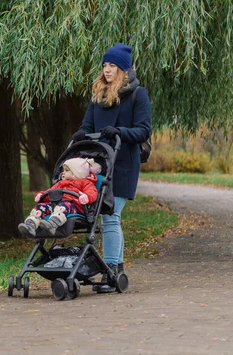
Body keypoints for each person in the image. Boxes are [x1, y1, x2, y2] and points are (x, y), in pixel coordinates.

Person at [72, 43, 152, 293]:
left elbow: (144, 130)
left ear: (123, 69)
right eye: (105, 65)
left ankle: (112, 270)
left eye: (112, 66)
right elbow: (87, 124)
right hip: (100, 163)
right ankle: (116, 270)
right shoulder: (98, 95)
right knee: (109, 218)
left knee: (110, 215)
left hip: (124, 163)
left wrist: (120, 131)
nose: (107, 70)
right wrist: (81, 133)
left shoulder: (138, 94)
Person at [18, 157, 100, 237]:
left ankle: (52, 224)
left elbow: (92, 192)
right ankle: (31, 224)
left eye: (66, 170)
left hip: (74, 207)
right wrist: (41, 195)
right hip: (56, 205)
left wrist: (86, 197)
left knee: (64, 205)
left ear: (77, 173)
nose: (63, 172)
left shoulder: (85, 182)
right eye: (63, 170)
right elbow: (49, 192)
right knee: (41, 207)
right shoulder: (60, 183)